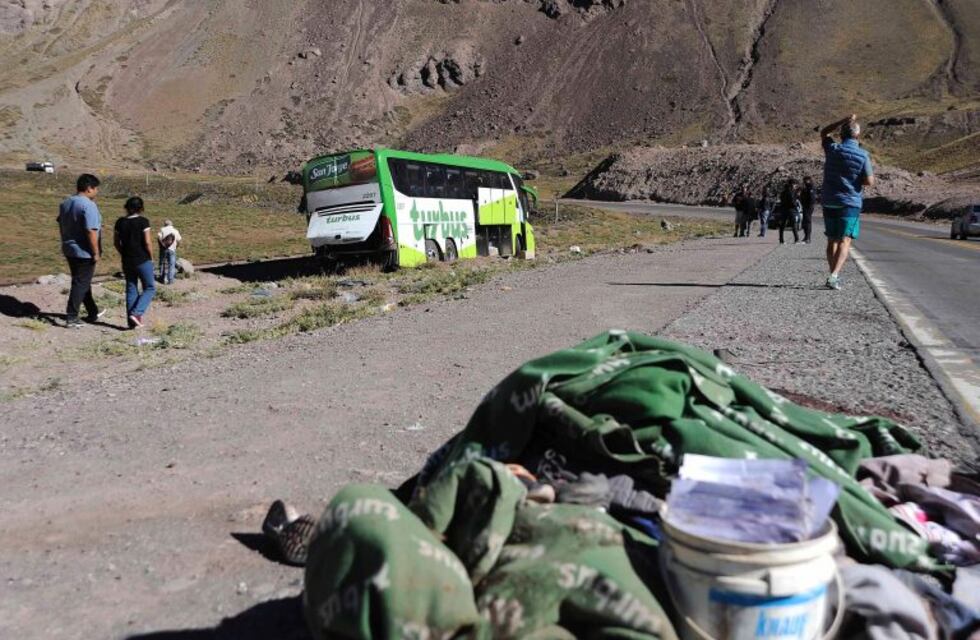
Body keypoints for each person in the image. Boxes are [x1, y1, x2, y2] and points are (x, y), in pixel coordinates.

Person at [821, 114, 875, 290]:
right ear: (857, 136)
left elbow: (824, 132)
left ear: (842, 134)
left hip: (829, 199)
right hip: (850, 202)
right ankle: (834, 275)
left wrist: (842, 119)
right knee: (845, 240)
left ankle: (832, 275)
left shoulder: (833, 149)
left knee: (832, 240)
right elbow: (869, 181)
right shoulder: (863, 155)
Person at [57, 174, 105, 328]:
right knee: (80, 283)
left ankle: (92, 311)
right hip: (84, 251)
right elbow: (91, 230)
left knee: (82, 282)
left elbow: (60, 222)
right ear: (89, 188)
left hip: (69, 247)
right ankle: (71, 317)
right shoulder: (88, 205)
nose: (97, 191)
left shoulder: (66, 203)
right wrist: (95, 252)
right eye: (96, 188)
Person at [113, 197, 156, 328]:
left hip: (127, 260)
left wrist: (123, 253)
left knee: (131, 288)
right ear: (141, 208)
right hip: (142, 259)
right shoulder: (143, 221)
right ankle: (137, 313)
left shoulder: (120, 222)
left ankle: (131, 322)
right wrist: (151, 257)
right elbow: (147, 242)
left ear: (126, 207)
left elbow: (116, 242)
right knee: (149, 287)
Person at [157, 219, 182, 284]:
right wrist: (175, 247)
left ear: (165, 224)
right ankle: (170, 280)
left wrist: (161, 246)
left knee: (162, 263)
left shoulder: (162, 230)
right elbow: (179, 241)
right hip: (172, 249)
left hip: (163, 249)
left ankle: (162, 278)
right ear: (171, 224)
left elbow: (158, 238)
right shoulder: (175, 231)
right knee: (171, 264)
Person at [777, 179, 801, 244]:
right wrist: (796, 206)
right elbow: (792, 202)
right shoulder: (791, 192)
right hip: (791, 210)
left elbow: (781, 201)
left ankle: (781, 240)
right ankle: (796, 239)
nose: (795, 186)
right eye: (795, 184)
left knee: (783, 225)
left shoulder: (783, 192)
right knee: (794, 225)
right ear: (792, 184)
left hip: (784, 209)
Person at [800, 176, 817, 244]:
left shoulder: (811, 187)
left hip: (808, 206)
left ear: (809, 180)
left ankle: (808, 237)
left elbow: (812, 198)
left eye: (805, 180)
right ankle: (806, 236)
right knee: (804, 222)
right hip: (805, 206)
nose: (804, 182)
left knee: (807, 221)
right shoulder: (806, 187)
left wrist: (809, 205)